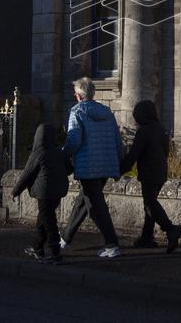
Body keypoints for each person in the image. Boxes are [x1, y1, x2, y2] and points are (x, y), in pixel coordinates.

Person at [63, 77, 124, 258]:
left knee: (96, 207)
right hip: (106, 165)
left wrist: (62, 154)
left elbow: (74, 140)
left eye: (75, 94)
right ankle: (65, 238)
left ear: (80, 96)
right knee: (84, 202)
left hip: (87, 166)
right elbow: (116, 140)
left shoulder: (77, 112)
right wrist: (117, 162)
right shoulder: (107, 111)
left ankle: (112, 244)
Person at [119, 99, 181, 253]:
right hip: (161, 171)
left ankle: (171, 229)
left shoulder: (144, 131)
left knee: (150, 204)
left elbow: (134, 154)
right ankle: (146, 238)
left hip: (149, 172)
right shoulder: (161, 128)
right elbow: (166, 152)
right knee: (150, 203)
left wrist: (119, 170)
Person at [11, 123, 69, 265]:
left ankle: (55, 253)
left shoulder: (38, 153)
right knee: (43, 220)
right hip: (58, 191)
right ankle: (37, 247)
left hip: (45, 192)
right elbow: (69, 169)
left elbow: (27, 175)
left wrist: (15, 191)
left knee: (49, 223)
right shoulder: (59, 152)